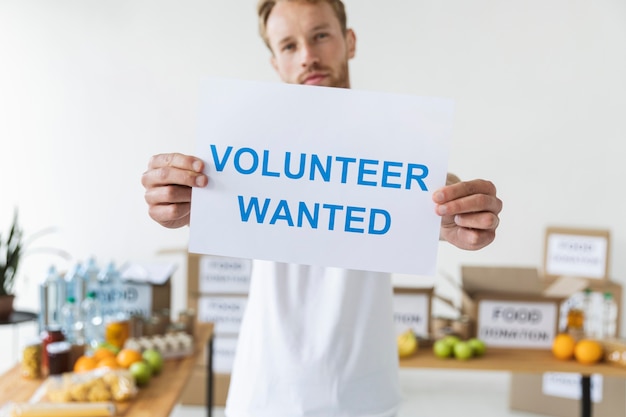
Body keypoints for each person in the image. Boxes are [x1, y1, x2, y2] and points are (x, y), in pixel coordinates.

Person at [141, 1, 503, 416]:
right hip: (265, 390)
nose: (308, 56)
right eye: (289, 45)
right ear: (275, 63)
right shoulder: (247, 144)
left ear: (349, 41)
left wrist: (460, 216)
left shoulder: (401, 146)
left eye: (320, 36)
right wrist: (173, 198)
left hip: (366, 394)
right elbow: (203, 200)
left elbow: (432, 198)